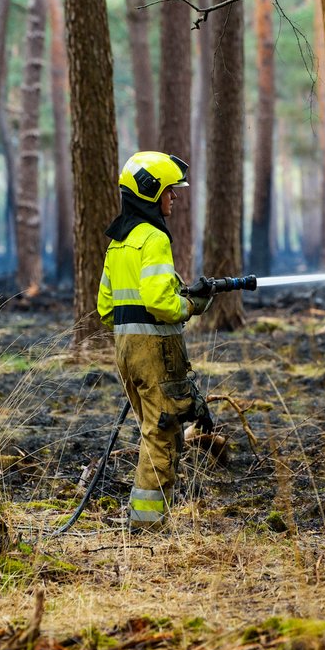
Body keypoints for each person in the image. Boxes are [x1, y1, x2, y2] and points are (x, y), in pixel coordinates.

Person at [97, 151, 213, 530]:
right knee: (161, 434)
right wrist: (191, 305)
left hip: (126, 351)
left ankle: (146, 518)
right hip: (155, 353)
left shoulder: (119, 241)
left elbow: (105, 307)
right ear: (150, 193)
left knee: (153, 430)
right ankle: (147, 526)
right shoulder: (155, 238)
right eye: (169, 190)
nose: (174, 197)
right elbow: (160, 302)